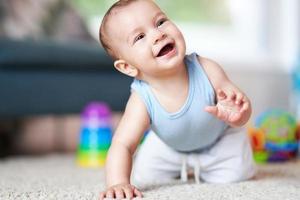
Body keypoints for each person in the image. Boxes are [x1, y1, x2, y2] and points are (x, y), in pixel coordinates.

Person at [99, 0, 256, 199]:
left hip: (219, 140)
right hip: (169, 146)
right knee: (144, 174)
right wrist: (118, 182)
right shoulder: (142, 98)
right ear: (128, 67)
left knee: (239, 173)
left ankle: (203, 165)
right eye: (140, 37)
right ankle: (184, 164)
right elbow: (122, 144)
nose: (158, 34)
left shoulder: (207, 69)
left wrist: (239, 115)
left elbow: (240, 109)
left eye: (160, 22)